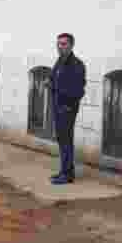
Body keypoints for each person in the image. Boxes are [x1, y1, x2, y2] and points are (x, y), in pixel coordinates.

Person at [48, 33, 86, 185]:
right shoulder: (60, 61)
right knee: (62, 140)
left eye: (63, 44)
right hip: (57, 106)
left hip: (67, 108)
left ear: (71, 45)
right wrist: (50, 84)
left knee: (66, 141)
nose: (60, 46)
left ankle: (68, 174)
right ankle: (64, 170)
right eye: (58, 44)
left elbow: (78, 90)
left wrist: (68, 105)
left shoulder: (76, 65)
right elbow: (53, 78)